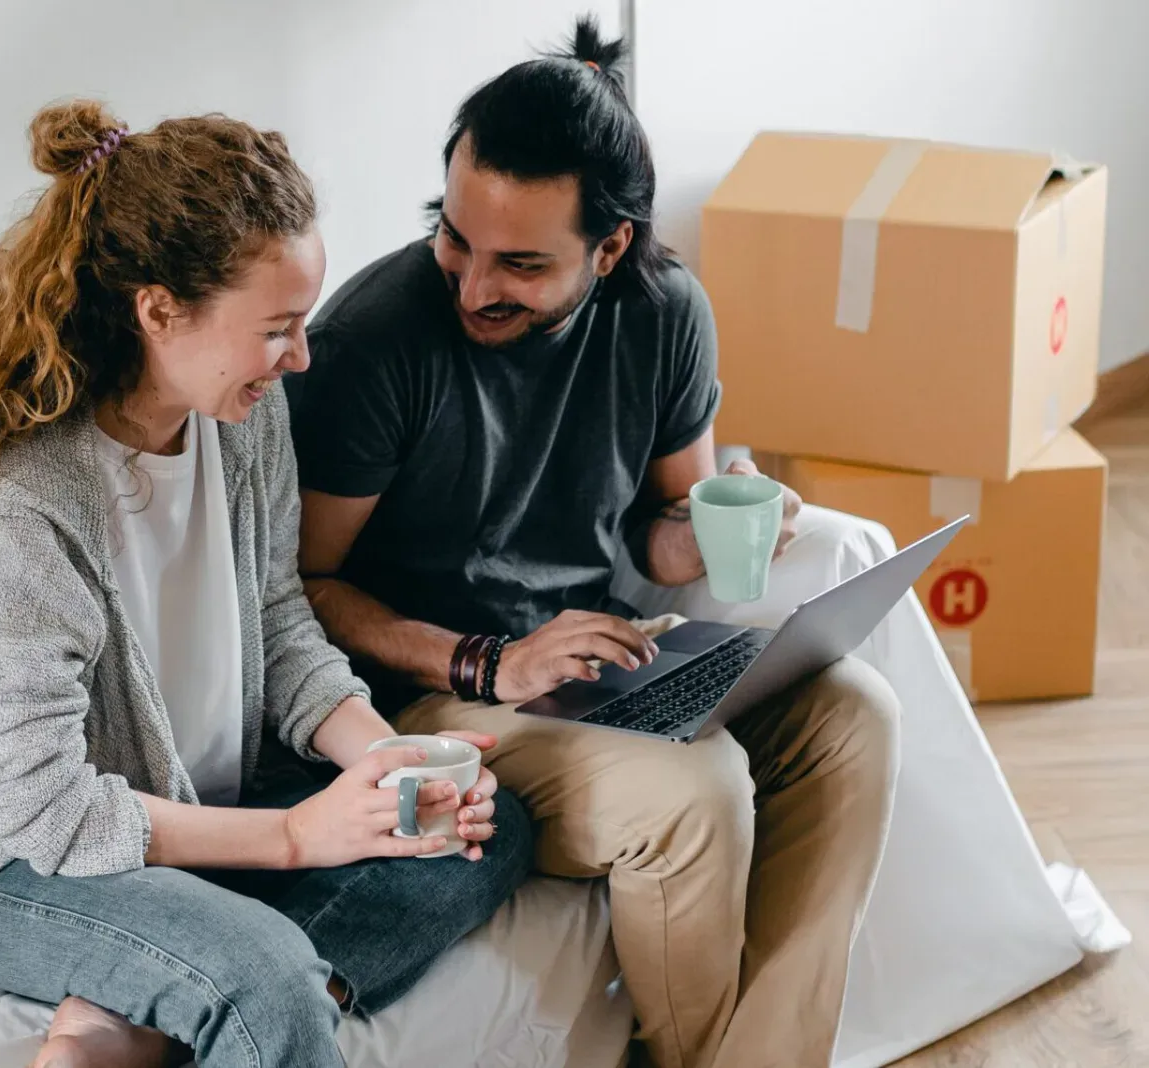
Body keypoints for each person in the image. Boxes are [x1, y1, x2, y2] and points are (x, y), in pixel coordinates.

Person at [0, 101, 533, 1068]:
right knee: (264, 980)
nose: (301, 357)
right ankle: (225, 984)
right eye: (277, 328)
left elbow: (278, 620)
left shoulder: (243, 417)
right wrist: (301, 839)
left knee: (483, 827)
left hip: (183, 801)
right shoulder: (25, 509)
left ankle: (133, 1014)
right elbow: (47, 814)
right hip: (6, 859)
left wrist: (386, 764)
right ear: (159, 311)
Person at [285, 17, 901, 1068]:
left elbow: (659, 538)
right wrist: (490, 660)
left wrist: (720, 516)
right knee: (695, 792)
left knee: (855, 716)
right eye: (453, 236)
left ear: (609, 247)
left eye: (519, 263)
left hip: (589, 662)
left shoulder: (663, 313)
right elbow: (304, 586)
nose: (473, 286)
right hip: (432, 697)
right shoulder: (376, 342)